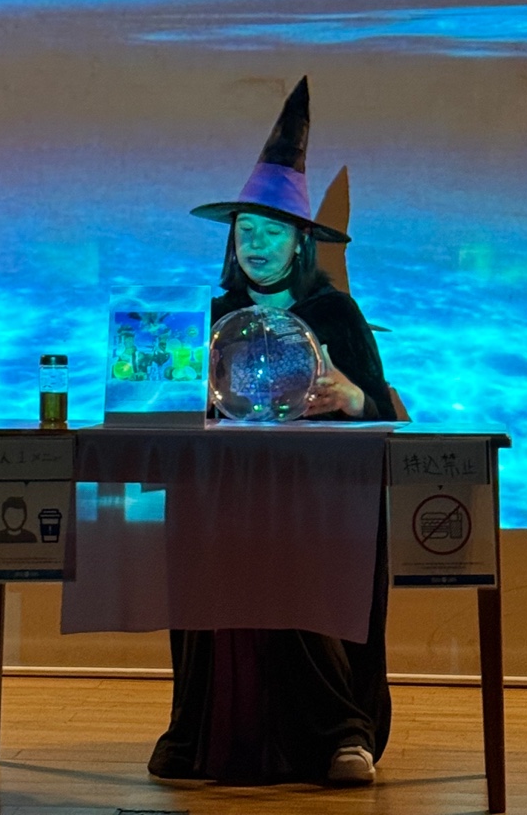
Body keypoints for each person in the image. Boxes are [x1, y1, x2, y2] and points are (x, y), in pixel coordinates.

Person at [148, 77, 399, 789]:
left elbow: (383, 417)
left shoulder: (336, 315)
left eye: (272, 231)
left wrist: (352, 395)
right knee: (208, 550)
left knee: (288, 559)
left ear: (300, 243)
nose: (256, 244)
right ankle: (200, 731)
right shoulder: (208, 317)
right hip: (227, 497)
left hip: (319, 503)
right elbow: (172, 412)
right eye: (245, 231)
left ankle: (342, 733)